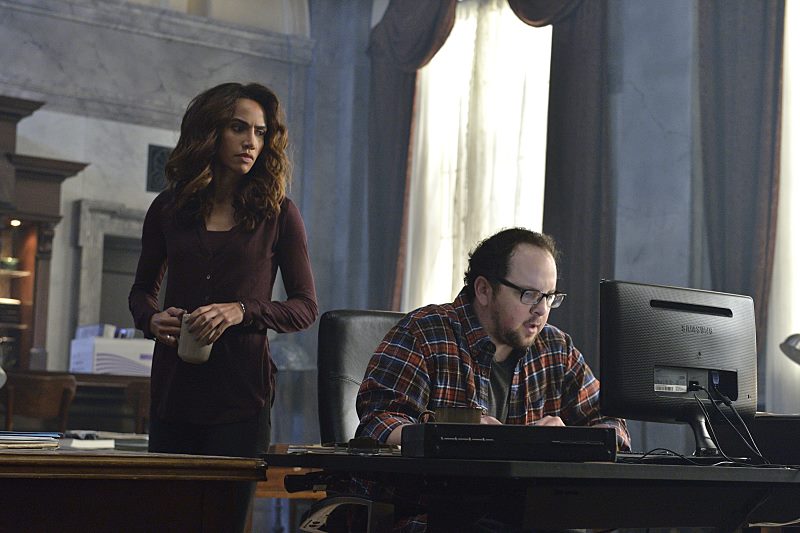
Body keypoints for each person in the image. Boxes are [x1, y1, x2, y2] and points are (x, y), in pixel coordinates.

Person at [129, 82, 318, 530]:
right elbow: (140, 292)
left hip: (241, 398)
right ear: (209, 132)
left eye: (260, 132)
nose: (251, 141)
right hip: (174, 393)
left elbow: (305, 307)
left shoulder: (279, 213)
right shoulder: (168, 209)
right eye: (238, 128)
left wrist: (242, 310)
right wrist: (151, 319)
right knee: (166, 523)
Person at [357, 227, 629, 447]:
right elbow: (377, 424)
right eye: (529, 295)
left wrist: (568, 438)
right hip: (432, 495)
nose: (541, 310)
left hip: (523, 497)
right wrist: (456, 433)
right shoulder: (424, 333)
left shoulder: (556, 349)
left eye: (549, 297)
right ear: (484, 290)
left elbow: (612, 424)